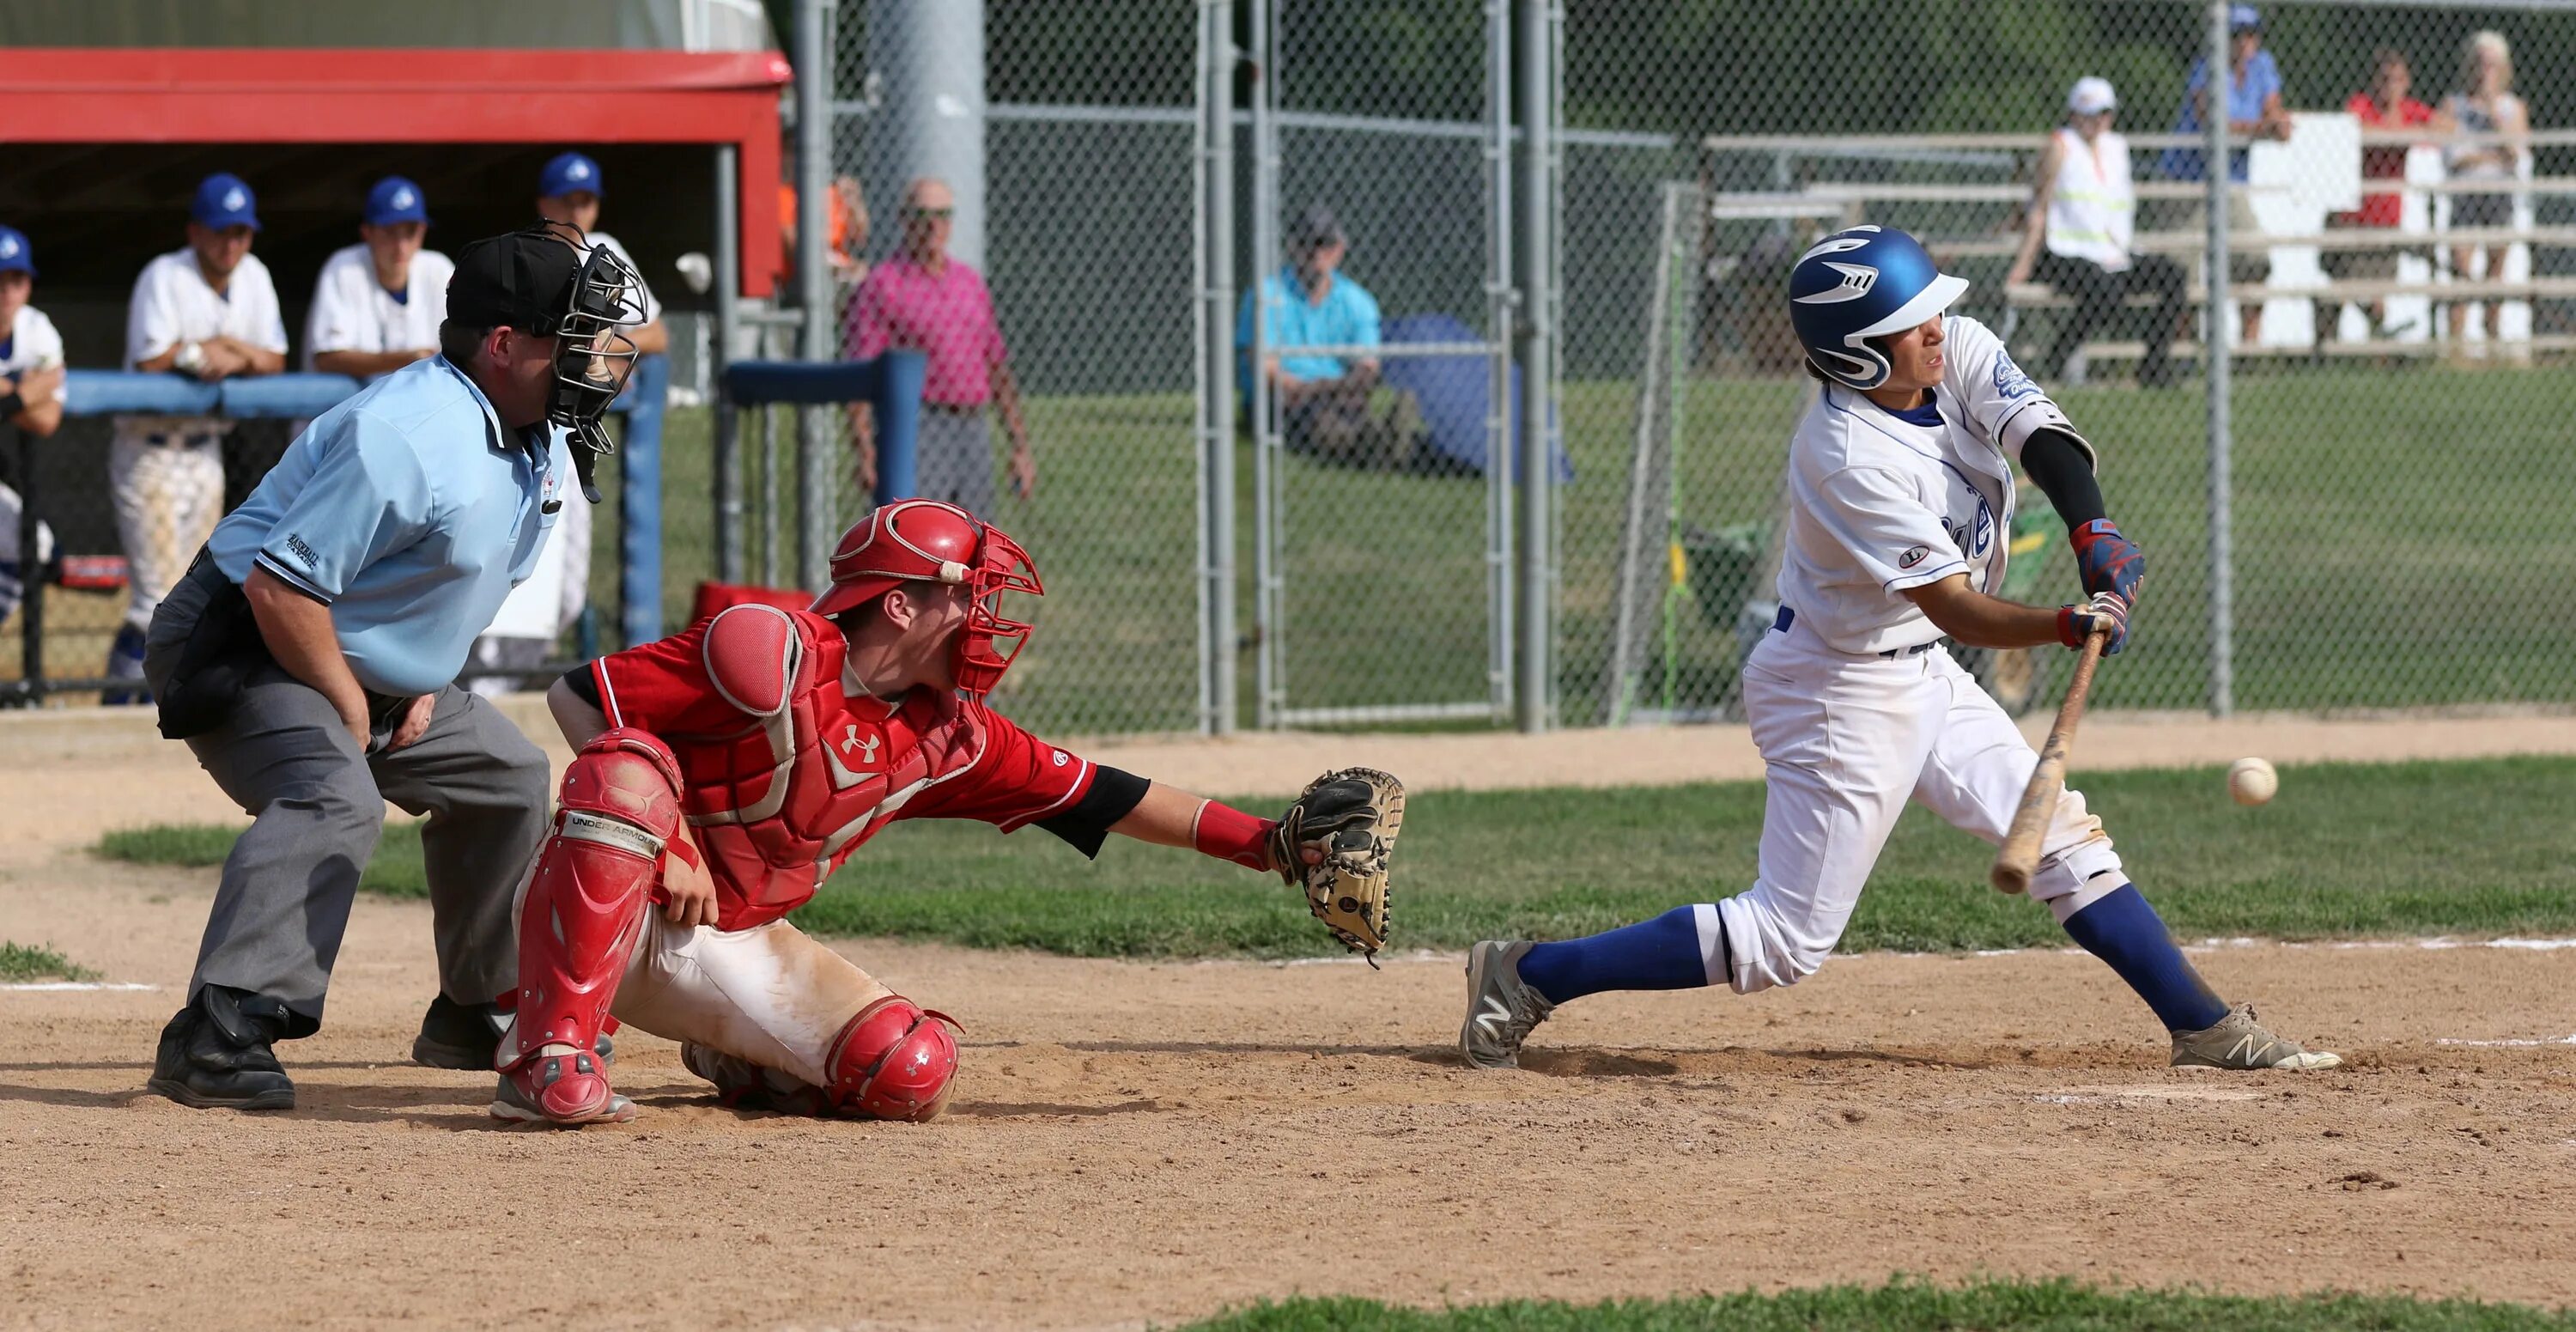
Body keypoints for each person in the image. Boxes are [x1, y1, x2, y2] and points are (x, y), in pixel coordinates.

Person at [1456, 226, 2341, 1075]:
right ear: (1857, 357)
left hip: (1916, 665)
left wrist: (2092, 528)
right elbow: (1956, 607)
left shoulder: (1950, 349)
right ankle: (1527, 974)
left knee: (2064, 840)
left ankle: (2203, 1027)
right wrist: (2064, 624)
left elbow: (2043, 437)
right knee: (1782, 943)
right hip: (1838, 690)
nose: (1934, 330)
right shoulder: (1845, 454)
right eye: (1906, 325)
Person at [495, 499, 1399, 1124]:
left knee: (908, 1072)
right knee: (629, 768)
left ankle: (736, 1052)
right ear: (898, 603)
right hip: (605, 906)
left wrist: (1274, 849)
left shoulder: (950, 737)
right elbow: (584, 701)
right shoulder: (770, 651)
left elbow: (1102, 792)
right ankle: (550, 1056)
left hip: (722, 945)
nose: (983, 613)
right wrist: (678, 841)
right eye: (964, 593)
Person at [137, 222, 647, 1112]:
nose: (594, 357)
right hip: (241, 637)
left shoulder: (538, 432)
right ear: (503, 346)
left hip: (350, 643)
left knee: (508, 777)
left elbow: (460, 580)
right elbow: (280, 590)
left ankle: (477, 1006)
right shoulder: (407, 435)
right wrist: (351, 703)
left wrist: (419, 679)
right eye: (571, 338)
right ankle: (219, 1032)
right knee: (336, 794)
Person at [110, 173, 289, 701]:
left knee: (192, 597)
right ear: (195, 232)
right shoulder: (164, 276)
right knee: (153, 601)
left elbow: (274, 360)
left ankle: (152, 701)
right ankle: (116, 700)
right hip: (151, 452)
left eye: (240, 232)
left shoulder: (252, 275)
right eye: (220, 232)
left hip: (205, 452)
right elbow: (150, 359)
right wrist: (202, 352)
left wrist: (230, 347)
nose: (231, 243)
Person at [844, 178, 1035, 514]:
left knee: (975, 539)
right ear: (904, 219)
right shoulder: (883, 285)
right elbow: (861, 376)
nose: (934, 225)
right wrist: (866, 453)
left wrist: (1019, 445)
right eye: (923, 215)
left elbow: (996, 366)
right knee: (918, 538)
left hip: (973, 427)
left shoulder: (969, 283)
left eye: (943, 214)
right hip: (917, 427)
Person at [2007, 77, 2190, 387]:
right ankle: (2058, 356)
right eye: (2089, 114)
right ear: (2074, 114)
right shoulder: (2060, 145)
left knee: (2173, 276)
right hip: (2063, 252)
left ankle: (2154, 367)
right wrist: (2023, 264)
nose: (2097, 121)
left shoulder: (2117, 148)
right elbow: (2039, 207)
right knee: (2105, 290)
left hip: (2114, 252)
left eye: (2104, 114)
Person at [1237, 204, 1412, 465]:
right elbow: (1265, 369)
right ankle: (1385, 445)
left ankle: (1389, 444)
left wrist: (1325, 389)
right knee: (1317, 422)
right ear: (1292, 247)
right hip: (1282, 401)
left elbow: (1367, 369)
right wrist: (1310, 389)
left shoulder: (1357, 301)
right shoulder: (1267, 295)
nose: (1317, 253)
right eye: (1308, 243)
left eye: (1325, 244)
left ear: (1339, 250)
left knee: (1343, 413)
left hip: (1336, 396)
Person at [2162, 4, 2290, 349]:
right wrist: (2264, 127)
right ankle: (2181, 351)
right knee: (2183, 270)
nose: (2245, 41)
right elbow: (2212, 122)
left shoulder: (2263, 66)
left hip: (2230, 184)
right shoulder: (2207, 68)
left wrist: (2275, 123)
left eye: (2251, 33)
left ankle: (2249, 347)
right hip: (2189, 182)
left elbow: (2274, 116)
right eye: (2236, 34)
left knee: (2255, 259)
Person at [2318, 50, 2443, 344]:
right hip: (2351, 217)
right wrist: (2399, 133)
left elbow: (2444, 125)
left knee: (2378, 294)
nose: (2391, 87)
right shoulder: (2362, 104)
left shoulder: (2410, 110)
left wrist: (2406, 130)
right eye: (2385, 79)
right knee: (2342, 289)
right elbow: (2354, 127)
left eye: (2398, 80)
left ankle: (2376, 351)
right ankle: (2326, 351)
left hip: (2386, 220)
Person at [305, 176, 451, 380]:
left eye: (410, 232)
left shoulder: (438, 268)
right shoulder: (344, 268)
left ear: (423, 231)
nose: (401, 246)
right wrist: (407, 359)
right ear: (367, 233)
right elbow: (327, 359)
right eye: (390, 232)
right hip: (349, 406)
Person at [2440, 31, 2529, 357]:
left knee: (2495, 273)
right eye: (2479, 63)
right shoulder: (2455, 105)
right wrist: (2492, 155)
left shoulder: (2511, 108)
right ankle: (2456, 347)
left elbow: (2516, 153)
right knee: (2462, 272)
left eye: (2492, 65)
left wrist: (2492, 113)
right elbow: (2454, 157)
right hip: (2466, 193)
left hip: (2499, 194)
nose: (2484, 71)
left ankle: (2492, 342)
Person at [537, 152, 669, 357]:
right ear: (544, 204)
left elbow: (656, 335)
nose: (576, 213)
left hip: (593, 368)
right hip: (542, 369)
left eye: (586, 202)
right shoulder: (527, 254)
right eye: (567, 201)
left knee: (651, 366)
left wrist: (598, 355)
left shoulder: (604, 248)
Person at [0, 225, 66, 625]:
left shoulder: (37, 328)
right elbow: (44, 393)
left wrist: (7, 397)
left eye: (16, 279)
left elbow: (47, 419)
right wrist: (30, 389)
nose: (6, 291)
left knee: (36, 545)